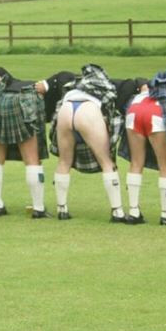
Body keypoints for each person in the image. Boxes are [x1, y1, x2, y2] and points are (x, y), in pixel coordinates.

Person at [49, 64, 128, 223]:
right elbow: (111, 111)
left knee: (64, 161)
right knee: (106, 162)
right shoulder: (104, 86)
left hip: (66, 109)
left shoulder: (73, 86)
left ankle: (62, 209)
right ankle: (117, 211)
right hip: (88, 109)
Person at [0, 67, 52, 218]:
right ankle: (38, 208)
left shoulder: (4, 77)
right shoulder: (41, 86)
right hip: (23, 102)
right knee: (32, 160)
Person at [118, 69, 166, 226]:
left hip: (134, 111)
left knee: (136, 163)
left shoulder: (142, 92)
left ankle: (134, 212)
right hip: (156, 114)